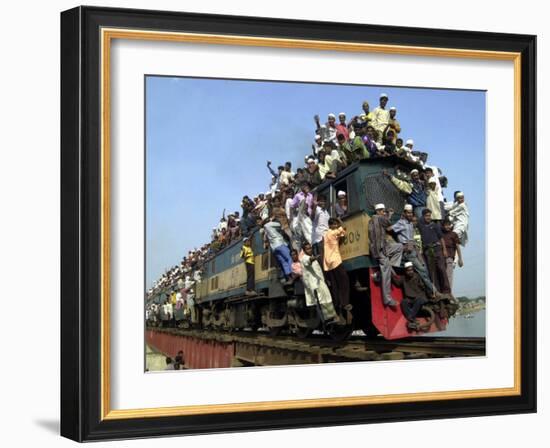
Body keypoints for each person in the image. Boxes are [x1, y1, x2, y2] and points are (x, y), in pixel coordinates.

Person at [391, 204, 435, 291]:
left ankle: (430, 291)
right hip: (408, 251)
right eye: (408, 213)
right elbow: (390, 229)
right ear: (404, 213)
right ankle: (433, 291)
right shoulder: (401, 223)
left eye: (411, 213)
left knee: (424, 270)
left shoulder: (410, 223)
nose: (410, 214)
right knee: (422, 271)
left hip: (414, 250)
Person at [368, 203, 403, 307]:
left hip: (382, 248)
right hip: (380, 250)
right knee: (386, 275)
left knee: (399, 247)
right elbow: (388, 223)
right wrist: (390, 214)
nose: (384, 213)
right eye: (383, 211)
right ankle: (387, 299)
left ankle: (384, 270)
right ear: (379, 211)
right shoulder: (379, 218)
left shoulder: (373, 219)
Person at [300, 242, 338, 322]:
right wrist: (314, 258)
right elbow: (308, 261)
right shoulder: (304, 258)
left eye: (310, 248)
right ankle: (328, 319)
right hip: (315, 284)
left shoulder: (312, 256)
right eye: (308, 249)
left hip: (320, 282)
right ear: (304, 250)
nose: (310, 250)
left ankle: (332, 317)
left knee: (327, 298)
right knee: (322, 301)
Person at [417, 208, 451, 294]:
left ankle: (447, 290)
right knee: (433, 272)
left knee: (441, 268)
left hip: (437, 249)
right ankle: (437, 291)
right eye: (426, 216)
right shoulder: (420, 225)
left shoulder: (435, 225)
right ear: (423, 216)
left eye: (429, 215)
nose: (428, 217)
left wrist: (444, 250)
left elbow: (441, 238)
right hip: (428, 251)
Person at [323, 218, 351, 311]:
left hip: (328, 262)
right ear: (330, 226)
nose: (336, 226)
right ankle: (345, 303)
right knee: (344, 281)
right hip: (335, 260)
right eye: (334, 224)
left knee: (335, 284)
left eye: (336, 224)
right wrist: (340, 221)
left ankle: (337, 303)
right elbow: (343, 228)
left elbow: (341, 234)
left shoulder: (327, 234)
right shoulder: (332, 232)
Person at [441, 219, 463, 291]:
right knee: (442, 276)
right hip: (441, 258)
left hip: (449, 257)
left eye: (448, 225)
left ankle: (449, 293)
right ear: (443, 226)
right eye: (445, 225)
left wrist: (460, 259)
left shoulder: (453, 234)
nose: (447, 227)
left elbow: (457, 247)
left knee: (449, 276)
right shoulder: (441, 234)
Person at [311, 194, 330, 261]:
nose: (323, 202)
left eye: (324, 201)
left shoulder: (325, 211)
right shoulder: (317, 209)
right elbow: (312, 217)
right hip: (319, 238)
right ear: (318, 202)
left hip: (326, 236)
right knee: (323, 259)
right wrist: (315, 206)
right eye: (321, 201)